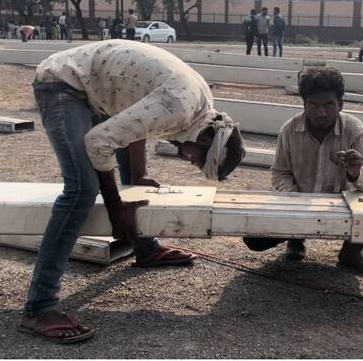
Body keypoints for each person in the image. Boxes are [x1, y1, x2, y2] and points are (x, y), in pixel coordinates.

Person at [20, 39, 246, 343]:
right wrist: (115, 207)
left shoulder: (201, 107)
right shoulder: (179, 108)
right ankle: (39, 307)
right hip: (64, 83)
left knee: (123, 175)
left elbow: (136, 119)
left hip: (97, 87)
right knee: (81, 191)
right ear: (206, 141)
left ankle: (145, 248)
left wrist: (137, 175)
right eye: (197, 161)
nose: (190, 161)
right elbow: (98, 143)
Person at [243, 67, 363, 278]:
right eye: (313, 105)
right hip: (299, 205)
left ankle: (352, 251)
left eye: (329, 105)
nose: (321, 113)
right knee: (254, 240)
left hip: (341, 207)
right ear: (304, 104)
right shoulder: (289, 130)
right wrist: (294, 199)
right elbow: (279, 173)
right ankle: (295, 237)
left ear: (341, 104)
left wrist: (356, 173)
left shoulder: (354, 129)